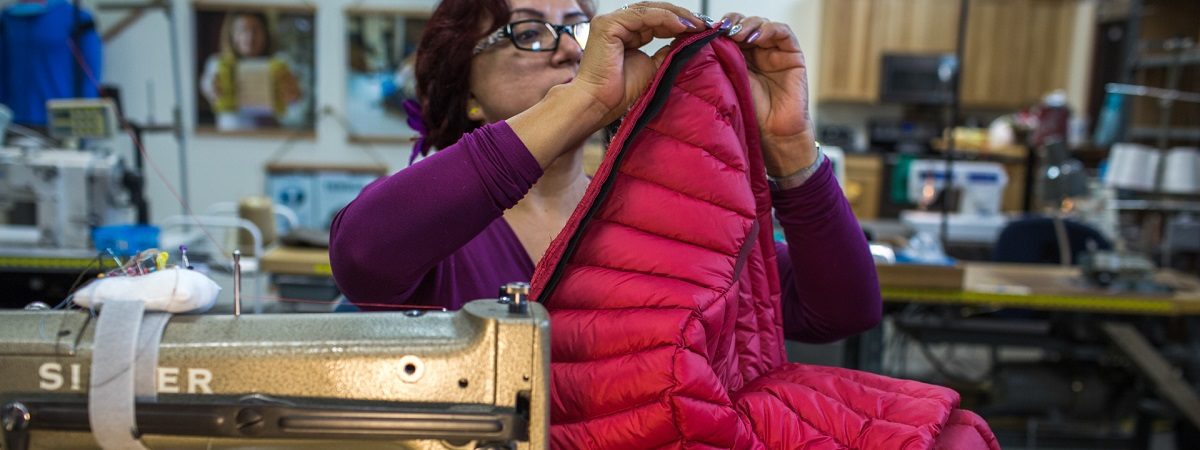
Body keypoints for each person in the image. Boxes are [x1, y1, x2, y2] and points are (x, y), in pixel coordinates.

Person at [330, 0, 881, 343]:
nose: (569, 49)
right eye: (527, 31)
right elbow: (362, 255)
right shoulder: (438, 234)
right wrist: (587, 101)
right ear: (465, 87)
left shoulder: (659, 220)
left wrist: (789, 145)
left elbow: (842, 310)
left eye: (576, 26)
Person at [199, 11, 303, 131]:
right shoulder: (217, 63)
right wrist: (209, 87)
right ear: (231, 34)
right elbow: (207, 84)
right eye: (242, 30)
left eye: (256, 30)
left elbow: (296, 104)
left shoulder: (281, 64)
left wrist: (294, 95)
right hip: (231, 140)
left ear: (266, 33)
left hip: (269, 139)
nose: (250, 37)